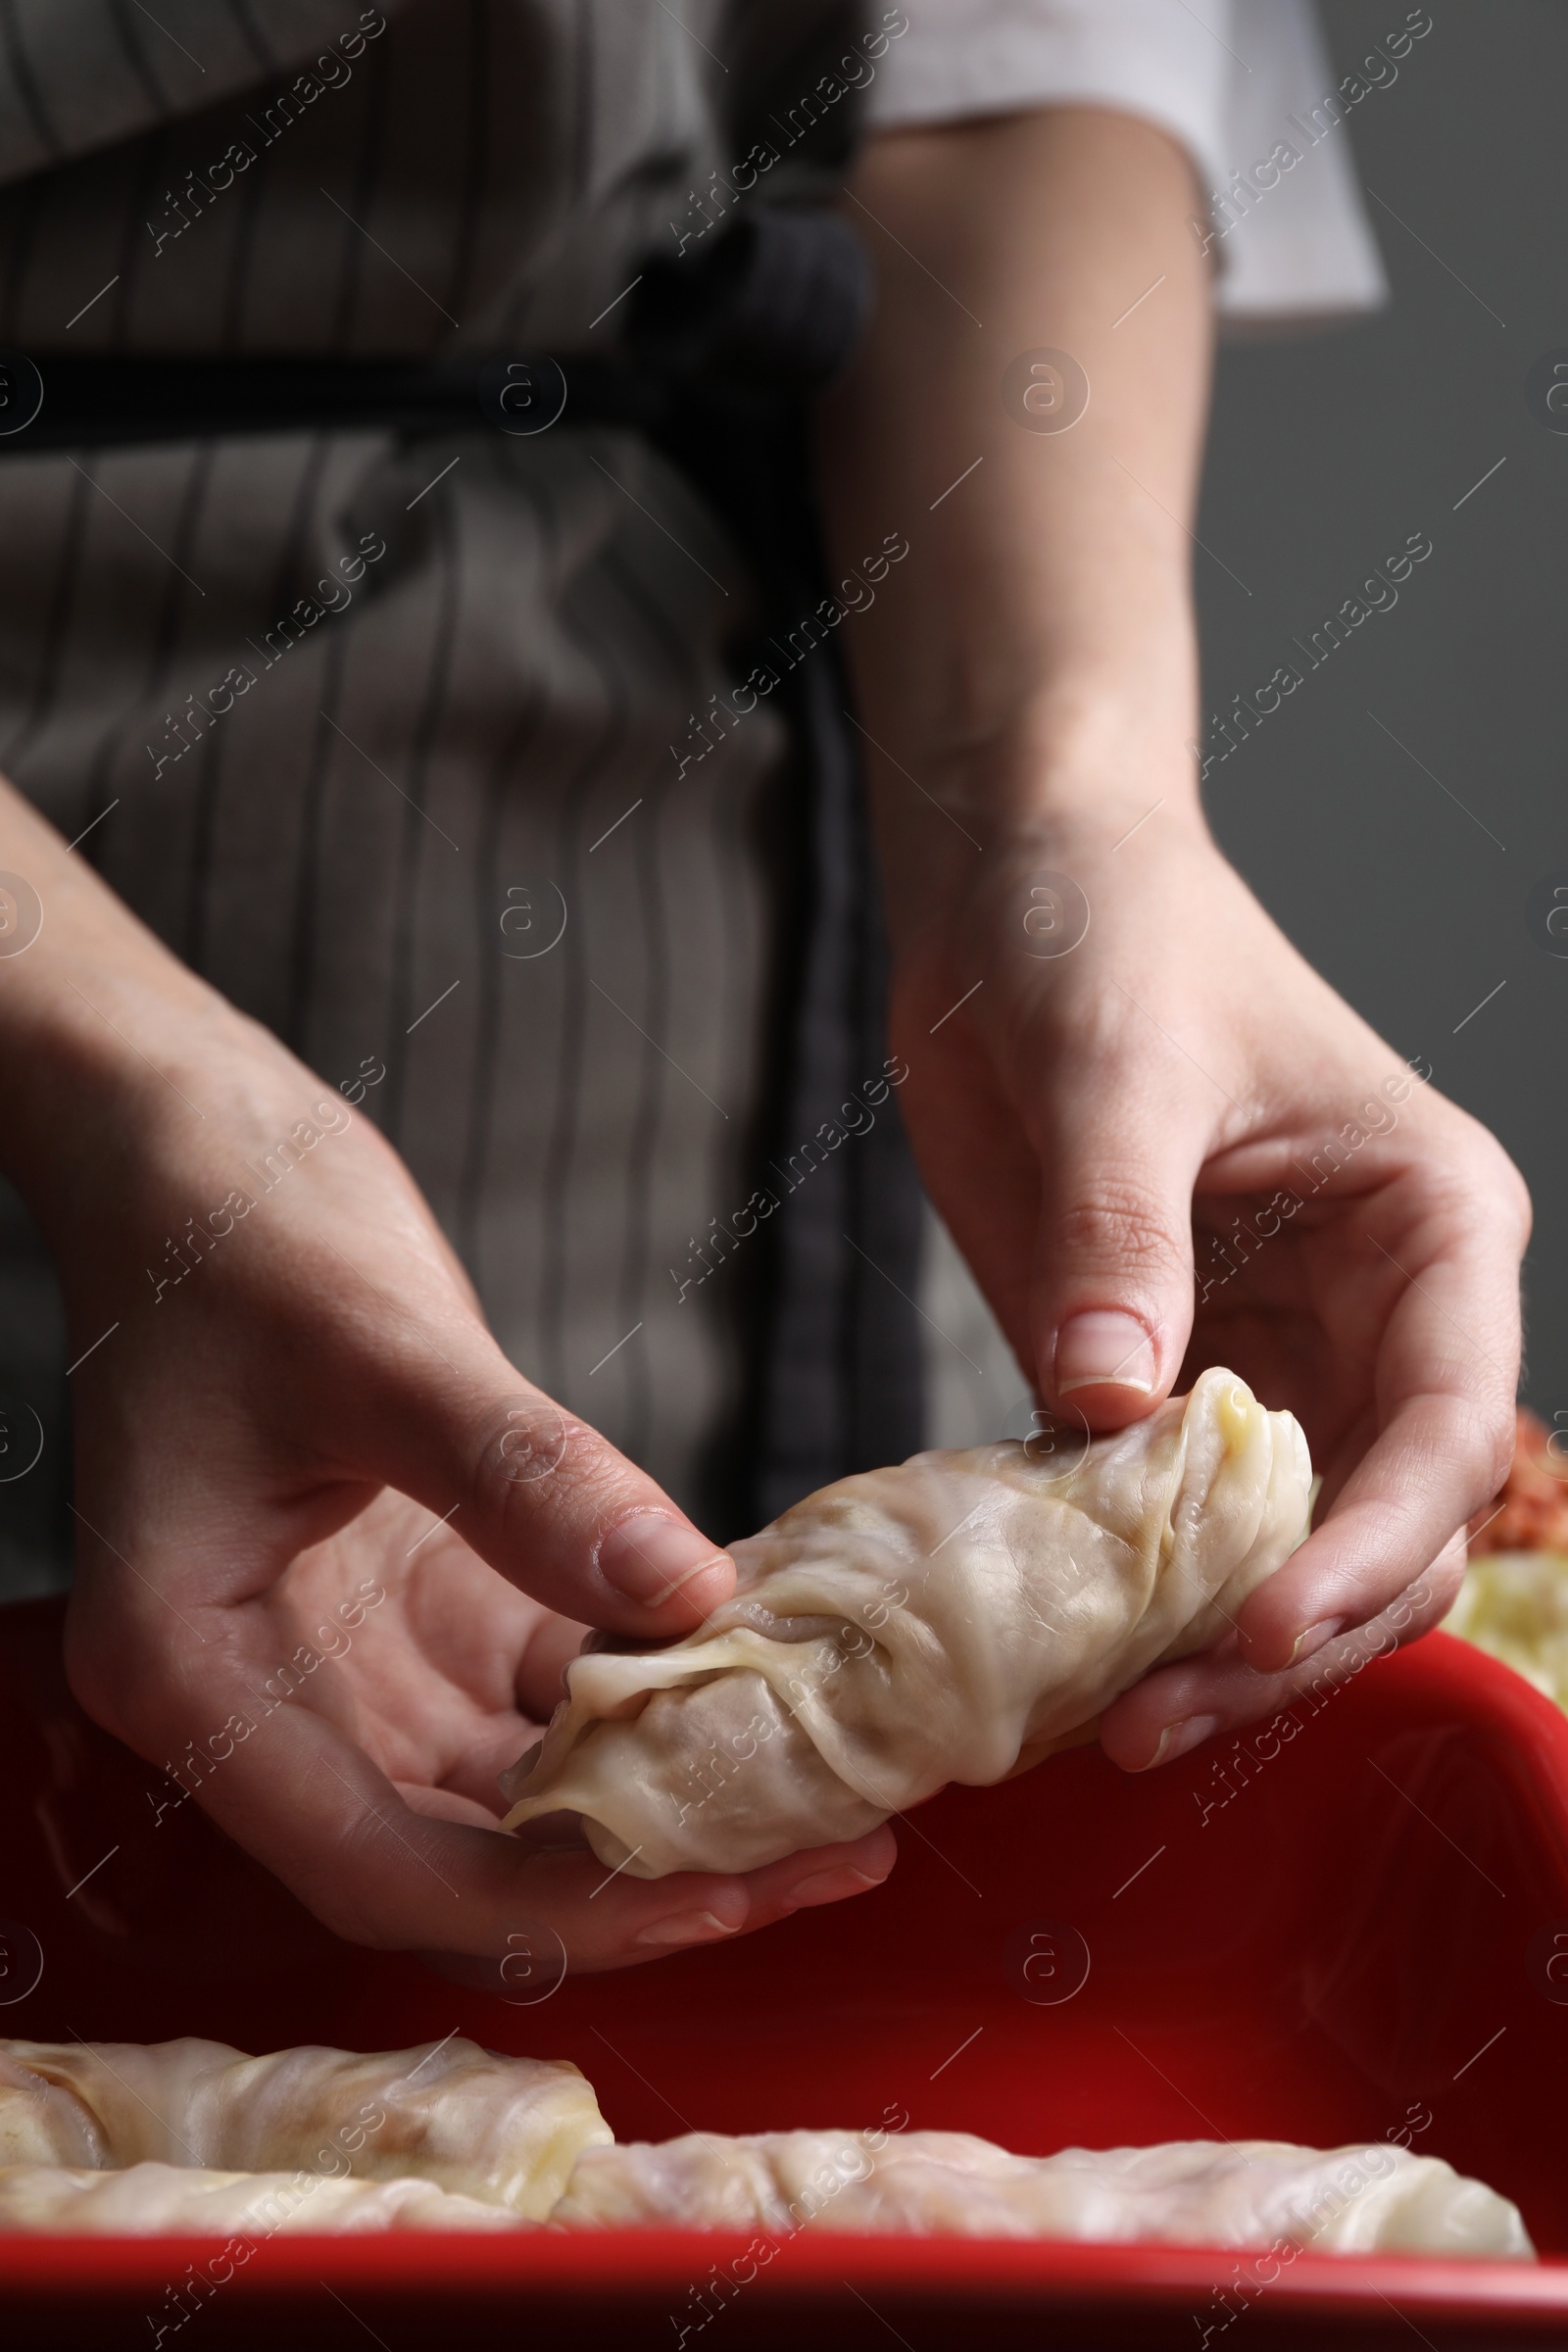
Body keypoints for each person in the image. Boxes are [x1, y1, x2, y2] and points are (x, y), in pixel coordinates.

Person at [0, 0, 1525, 1975]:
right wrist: (117, 1083)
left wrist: (1059, 811)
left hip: (723, 810)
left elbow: (1014, 69)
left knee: (766, 2103)